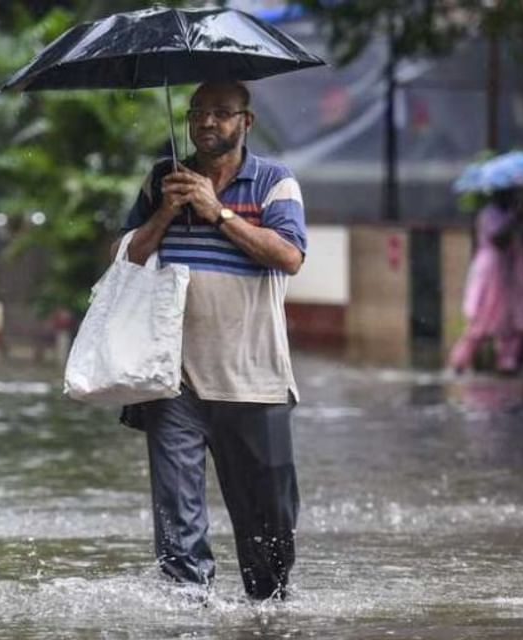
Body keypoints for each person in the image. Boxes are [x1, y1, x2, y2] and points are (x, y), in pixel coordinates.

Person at [114, 81, 306, 601]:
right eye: (199, 112)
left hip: (254, 380)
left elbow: (288, 256)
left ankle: (267, 616)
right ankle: (188, 613)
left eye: (222, 113)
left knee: (269, 529)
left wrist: (216, 210)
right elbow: (126, 257)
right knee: (177, 521)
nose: (206, 123)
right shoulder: (163, 179)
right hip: (172, 381)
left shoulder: (274, 182)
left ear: (247, 122)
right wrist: (167, 213)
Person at [448, 189, 523, 374]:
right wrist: (514, 220)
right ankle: (460, 361)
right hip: (491, 271)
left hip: (509, 272)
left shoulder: (508, 214)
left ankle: (507, 362)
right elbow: (497, 239)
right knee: (482, 320)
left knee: (511, 321)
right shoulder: (488, 214)